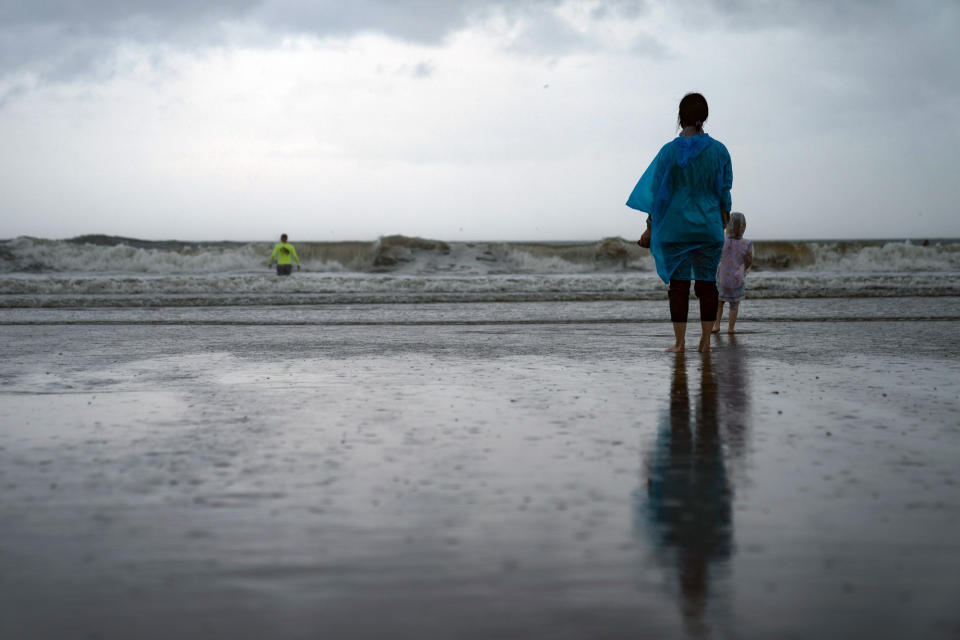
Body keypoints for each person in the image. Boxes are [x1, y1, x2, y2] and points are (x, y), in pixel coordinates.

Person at [626, 92, 732, 353]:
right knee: (708, 285)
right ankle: (706, 342)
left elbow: (658, 196)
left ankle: (680, 343)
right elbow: (724, 192)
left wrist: (650, 226)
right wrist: (723, 221)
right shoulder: (719, 151)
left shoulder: (668, 152)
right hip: (708, 228)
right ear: (703, 117)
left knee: (679, 287)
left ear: (680, 117)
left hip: (675, 229)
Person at [713, 212, 753, 334]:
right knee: (734, 305)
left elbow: (715, 257)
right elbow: (749, 260)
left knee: (719, 303)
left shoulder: (722, 242)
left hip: (722, 278)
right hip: (737, 279)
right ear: (743, 227)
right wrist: (744, 269)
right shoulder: (746, 243)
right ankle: (731, 328)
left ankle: (716, 325)